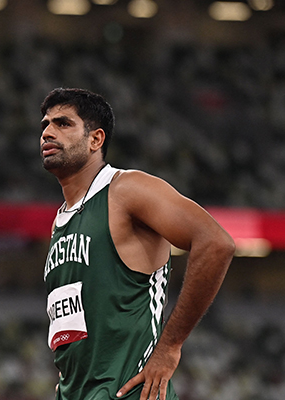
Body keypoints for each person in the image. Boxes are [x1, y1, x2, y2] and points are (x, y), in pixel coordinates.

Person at [39, 87, 235, 400]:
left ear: (95, 140)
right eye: (45, 125)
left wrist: (170, 347)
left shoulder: (126, 189)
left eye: (63, 124)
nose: (47, 132)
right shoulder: (60, 220)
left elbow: (215, 243)